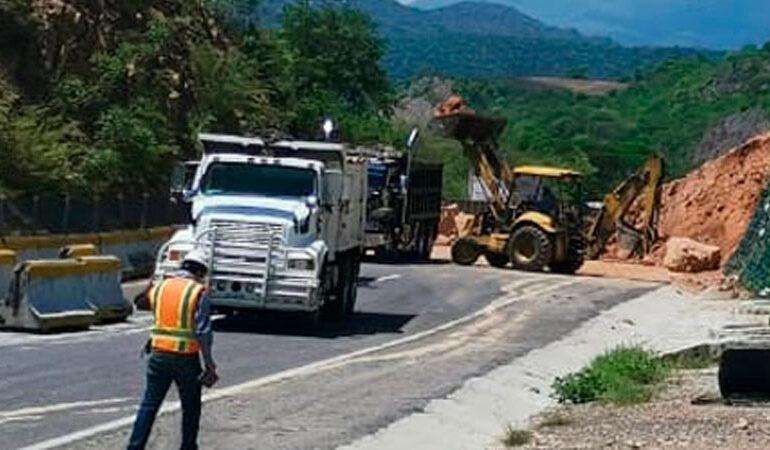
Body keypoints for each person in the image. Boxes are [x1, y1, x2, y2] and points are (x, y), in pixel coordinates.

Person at [127, 248, 218, 450]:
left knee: (149, 405)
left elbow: (141, 302)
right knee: (191, 407)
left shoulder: (161, 287)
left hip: (158, 355)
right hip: (185, 358)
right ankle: (188, 447)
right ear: (201, 272)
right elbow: (203, 332)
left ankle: (134, 447)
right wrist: (209, 364)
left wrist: (153, 280)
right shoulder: (197, 292)